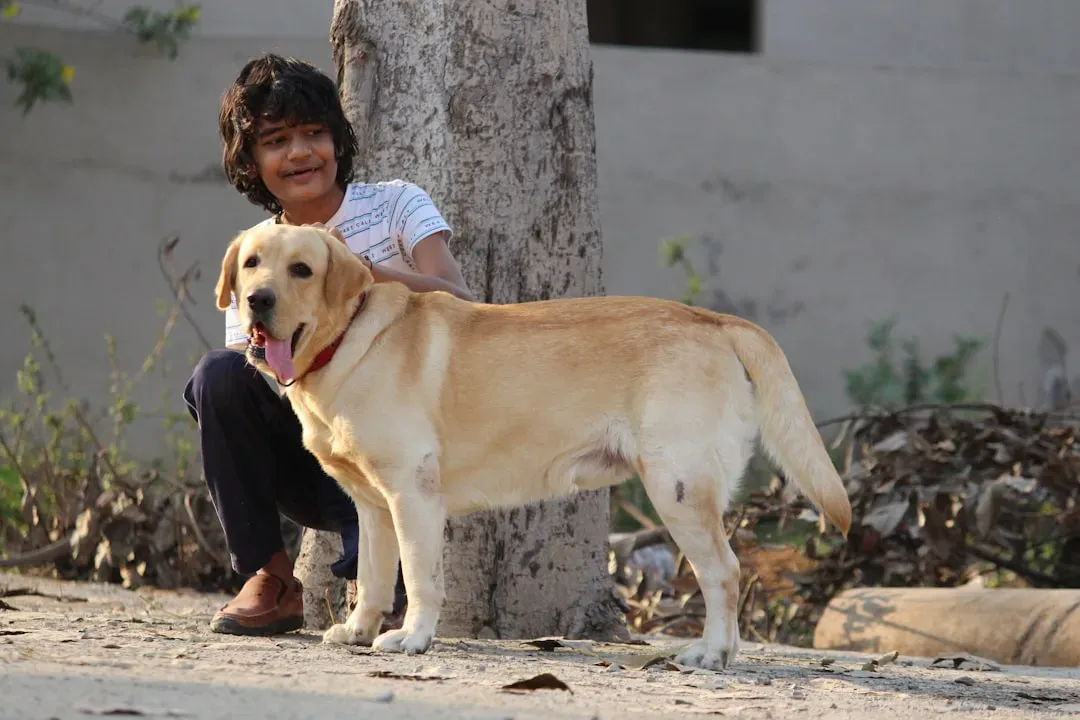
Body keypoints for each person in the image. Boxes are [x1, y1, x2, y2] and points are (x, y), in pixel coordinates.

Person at [183, 53, 473, 636]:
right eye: (275, 140)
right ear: (250, 161)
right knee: (218, 375)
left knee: (367, 405)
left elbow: (458, 296)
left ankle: (382, 594)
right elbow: (261, 360)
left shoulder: (396, 203)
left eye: (314, 133)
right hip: (311, 447)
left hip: (400, 438)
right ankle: (269, 577)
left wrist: (357, 271)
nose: (298, 152)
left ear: (338, 141)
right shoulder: (256, 251)